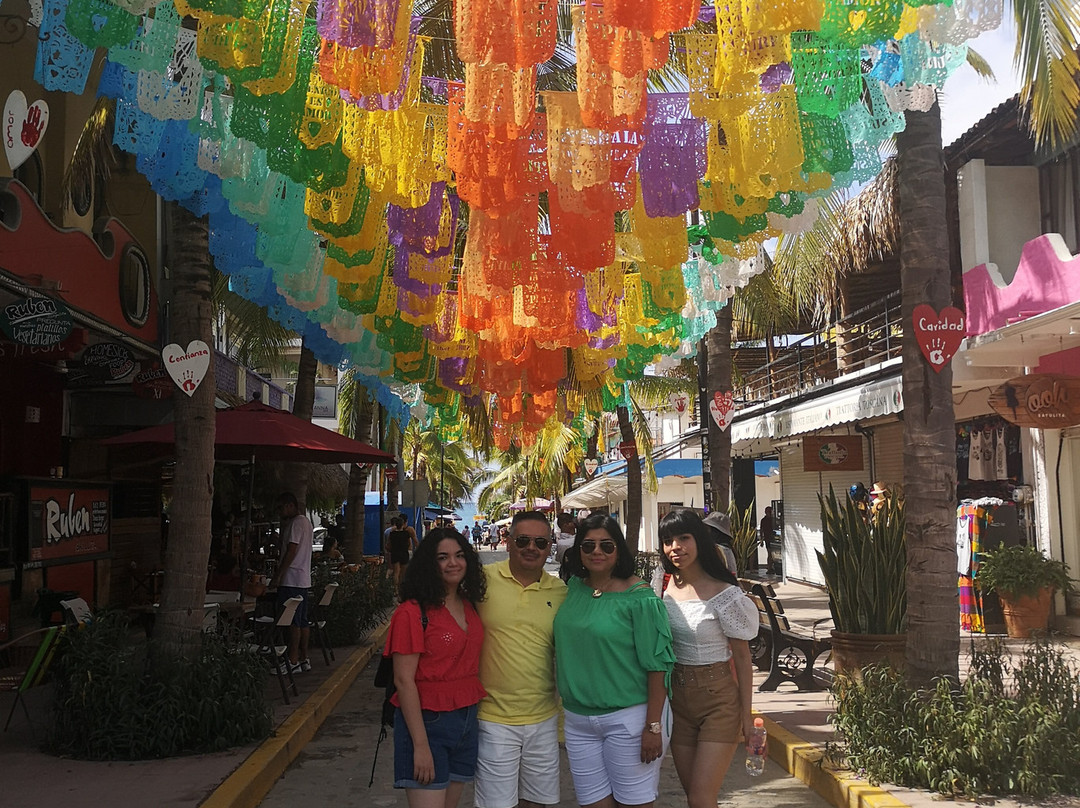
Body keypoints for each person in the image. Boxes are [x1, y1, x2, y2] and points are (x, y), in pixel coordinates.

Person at [552, 513, 675, 808]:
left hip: (629, 719)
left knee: (634, 803)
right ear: (577, 550)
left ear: (619, 550)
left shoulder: (641, 599)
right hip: (578, 721)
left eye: (606, 546)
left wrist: (653, 727)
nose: (597, 552)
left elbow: (658, 666)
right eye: (589, 545)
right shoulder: (573, 589)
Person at [658, 510, 760, 808]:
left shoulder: (726, 594)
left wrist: (745, 716)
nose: (675, 546)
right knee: (695, 798)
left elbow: (742, 658)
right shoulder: (661, 586)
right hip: (678, 702)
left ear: (699, 540)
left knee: (702, 797)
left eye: (683, 538)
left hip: (719, 703)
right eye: (667, 541)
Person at [383, 527, 488, 808]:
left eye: (459, 555)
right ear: (430, 563)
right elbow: (404, 681)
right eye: (443, 557)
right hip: (427, 724)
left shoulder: (469, 604)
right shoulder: (411, 612)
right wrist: (420, 746)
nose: (453, 563)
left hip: (466, 722)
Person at [475, 511, 568, 808]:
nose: (532, 548)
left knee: (538, 803)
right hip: (492, 719)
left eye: (541, 542)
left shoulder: (562, 592)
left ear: (549, 546)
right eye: (524, 540)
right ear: (509, 542)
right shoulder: (481, 582)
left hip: (544, 719)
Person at [269, 492, 314, 674]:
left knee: (292, 622)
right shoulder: (306, 523)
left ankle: (292, 659)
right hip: (302, 579)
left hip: (291, 579)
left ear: (289, 505)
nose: (279, 512)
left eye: (280, 507)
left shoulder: (296, 523)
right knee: (302, 621)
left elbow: (292, 550)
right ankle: (303, 658)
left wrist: (279, 574)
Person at [386, 516, 413, 591]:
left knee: (396, 572)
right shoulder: (406, 534)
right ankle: (401, 589)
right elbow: (409, 544)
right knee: (403, 573)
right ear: (403, 524)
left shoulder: (392, 534)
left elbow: (388, 544)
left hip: (395, 553)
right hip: (404, 553)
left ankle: (395, 589)